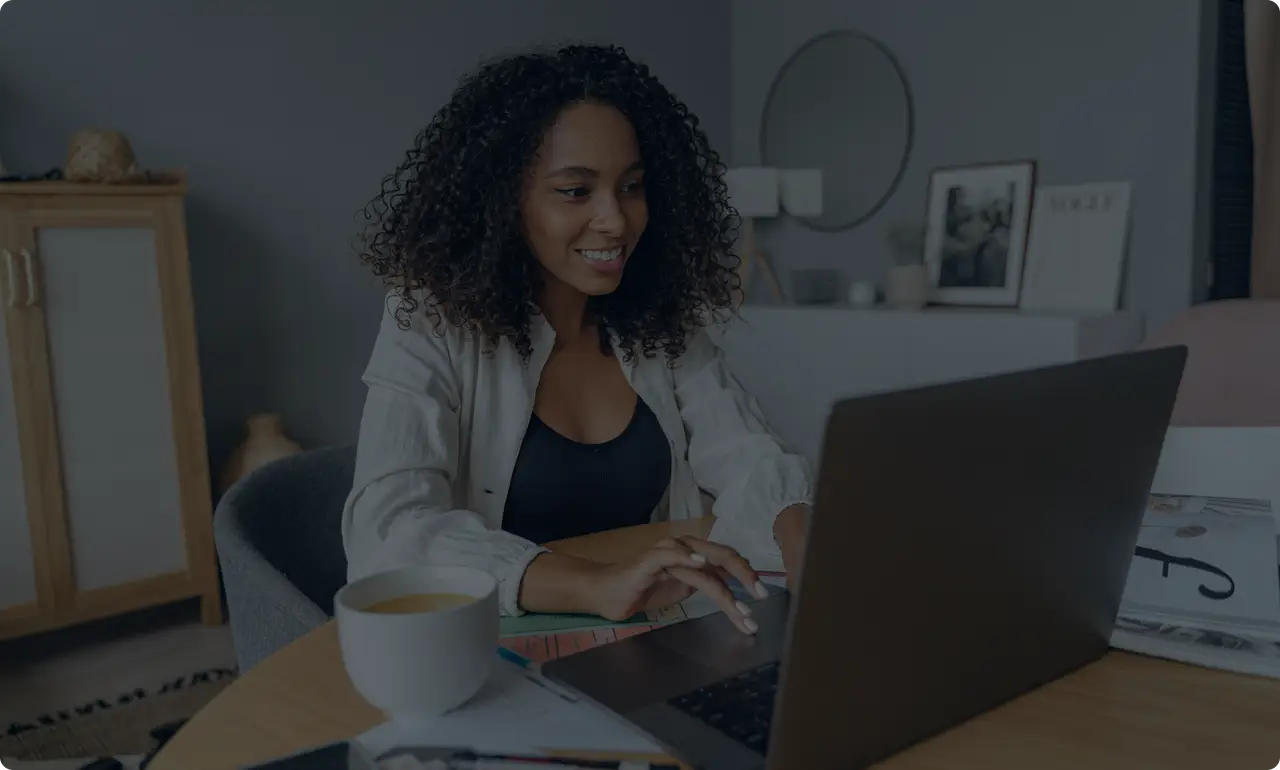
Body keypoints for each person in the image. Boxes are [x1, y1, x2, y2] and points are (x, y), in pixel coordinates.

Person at [342, 43, 813, 636]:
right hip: (488, 650)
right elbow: (388, 531)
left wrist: (806, 545)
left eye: (632, 186)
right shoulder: (431, 319)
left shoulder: (660, 320)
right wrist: (594, 585)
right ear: (505, 201)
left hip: (654, 634)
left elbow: (750, 456)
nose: (615, 220)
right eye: (575, 191)